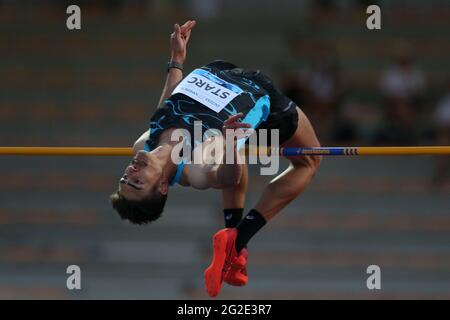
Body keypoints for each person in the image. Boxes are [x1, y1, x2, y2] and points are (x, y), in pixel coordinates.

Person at [110, 20, 321, 297]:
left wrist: (176, 60)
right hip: (257, 97)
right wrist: (231, 144)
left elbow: (168, 106)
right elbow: (227, 177)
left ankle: (233, 240)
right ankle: (240, 237)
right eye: (136, 183)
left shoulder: (143, 143)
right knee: (310, 159)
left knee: (241, 156)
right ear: (162, 186)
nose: (130, 172)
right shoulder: (194, 169)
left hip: (218, 73)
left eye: (125, 179)